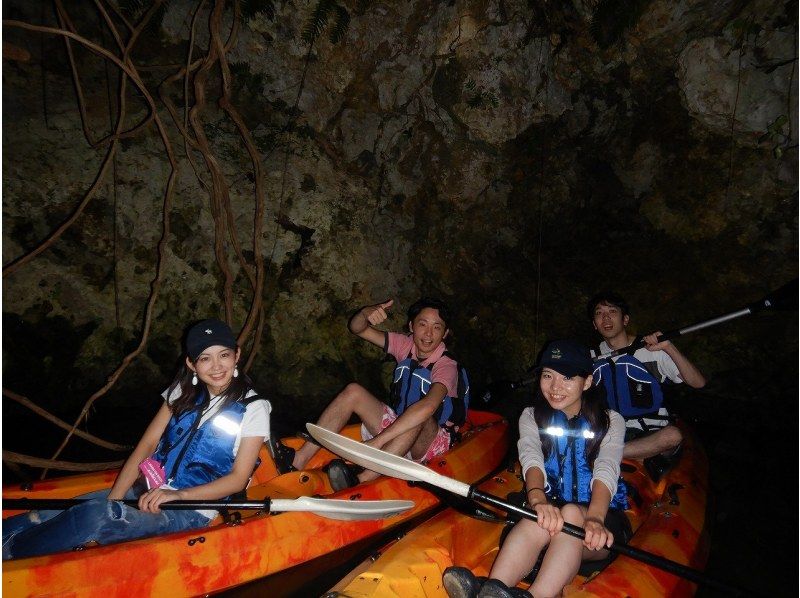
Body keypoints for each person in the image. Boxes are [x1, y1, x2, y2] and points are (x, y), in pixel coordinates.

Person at [3, 319, 271, 560]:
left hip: (191, 509)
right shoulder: (182, 391)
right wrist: (116, 499)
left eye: (224, 355)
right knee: (51, 511)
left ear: (236, 355)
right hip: (145, 488)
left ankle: (12, 558)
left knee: (94, 517)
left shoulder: (254, 407)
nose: (216, 366)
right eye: (205, 358)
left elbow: (238, 477)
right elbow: (147, 445)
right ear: (191, 363)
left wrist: (177, 495)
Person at [443, 339, 628, 598]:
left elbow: (606, 468)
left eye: (567, 378)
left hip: (597, 523)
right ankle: (492, 589)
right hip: (549, 507)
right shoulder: (531, 416)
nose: (555, 387)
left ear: (586, 382)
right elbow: (531, 457)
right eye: (548, 375)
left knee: (573, 512)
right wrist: (538, 499)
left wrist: (596, 519)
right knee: (539, 518)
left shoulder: (612, 422)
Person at [291, 297, 466, 491]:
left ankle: (363, 477)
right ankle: (300, 459)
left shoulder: (446, 365)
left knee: (420, 415)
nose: (428, 333)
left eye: (437, 327)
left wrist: (377, 442)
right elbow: (357, 328)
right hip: (398, 431)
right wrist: (365, 313)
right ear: (411, 326)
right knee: (353, 391)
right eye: (422, 324)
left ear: (445, 333)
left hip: (430, 444)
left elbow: (429, 407)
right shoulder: (405, 345)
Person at [587, 292, 706, 460]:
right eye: (599, 313)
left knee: (673, 435)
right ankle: (614, 452)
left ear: (625, 319)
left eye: (612, 311)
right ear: (594, 324)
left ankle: (605, 454)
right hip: (612, 431)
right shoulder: (590, 358)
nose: (605, 318)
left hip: (652, 432)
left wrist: (669, 348)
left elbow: (698, 382)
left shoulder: (652, 350)